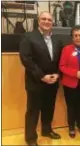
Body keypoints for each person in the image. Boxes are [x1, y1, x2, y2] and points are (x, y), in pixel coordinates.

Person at [19, 11, 62, 146]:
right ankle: (31, 138)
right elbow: (26, 59)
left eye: (49, 20)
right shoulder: (28, 36)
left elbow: (59, 60)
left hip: (52, 82)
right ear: (38, 21)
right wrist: (42, 76)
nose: (46, 22)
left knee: (49, 108)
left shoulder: (57, 40)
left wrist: (57, 74)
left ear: (52, 22)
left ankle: (46, 130)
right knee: (33, 110)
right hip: (36, 81)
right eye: (43, 19)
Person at [59, 25, 80, 138]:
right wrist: (75, 73)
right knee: (71, 106)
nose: (78, 38)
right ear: (72, 37)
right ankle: (71, 127)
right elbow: (62, 66)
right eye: (75, 35)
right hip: (69, 84)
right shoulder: (66, 49)